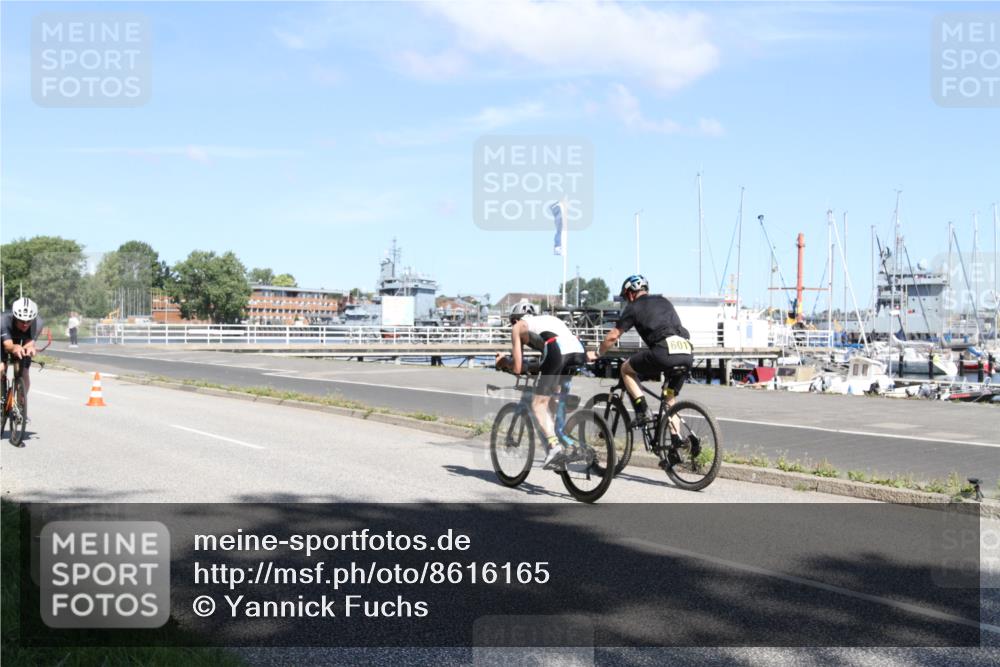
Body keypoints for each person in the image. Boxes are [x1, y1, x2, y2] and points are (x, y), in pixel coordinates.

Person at [590, 275, 695, 445]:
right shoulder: (664, 301)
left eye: (626, 297)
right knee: (669, 398)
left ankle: (641, 411)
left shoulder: (634, 307)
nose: (627, 301)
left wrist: (598, 353)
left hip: (664, 352)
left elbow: (613, 336)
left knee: (625, 369)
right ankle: (677, 440)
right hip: (686, 351)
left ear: (630, 294)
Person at [495, 301, 588, 470]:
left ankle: (554, 447)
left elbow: (517, 367)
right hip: (577, 351)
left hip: (558, 349)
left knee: (538, 404)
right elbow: (545, 361)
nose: (512, 326)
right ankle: (566, 440)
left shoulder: (518, 327)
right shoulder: (545, 320)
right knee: (553, 399)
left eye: (511, 323)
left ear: (515, 320)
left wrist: (503, 361)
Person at [1, 297, 44, 417]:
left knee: (24, 372)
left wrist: (29, 348)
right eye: (21, 321)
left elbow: (30, 343)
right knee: (1, 367)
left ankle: (19, 406)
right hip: (4, 341)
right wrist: (14, 347)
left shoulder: (38, 322)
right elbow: (8, 345)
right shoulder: (3, 320)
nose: (25, 324)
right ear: (15, 317)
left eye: (28, 321)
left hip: (22, 340)